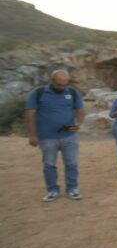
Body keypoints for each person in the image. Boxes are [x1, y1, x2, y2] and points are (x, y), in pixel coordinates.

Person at [25, 69, 86, 202]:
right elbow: (30, 114)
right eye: (59, 84)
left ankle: (72, 189)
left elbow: (80, 110)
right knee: (49, 165)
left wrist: (78, 123)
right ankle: (52, 190)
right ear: (51, 80)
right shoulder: (38, 93)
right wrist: (32, 135)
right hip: (47, 137)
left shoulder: (73, 92)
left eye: (64, 84)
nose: (62, 87)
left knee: (71, 164)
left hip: (69, 136)